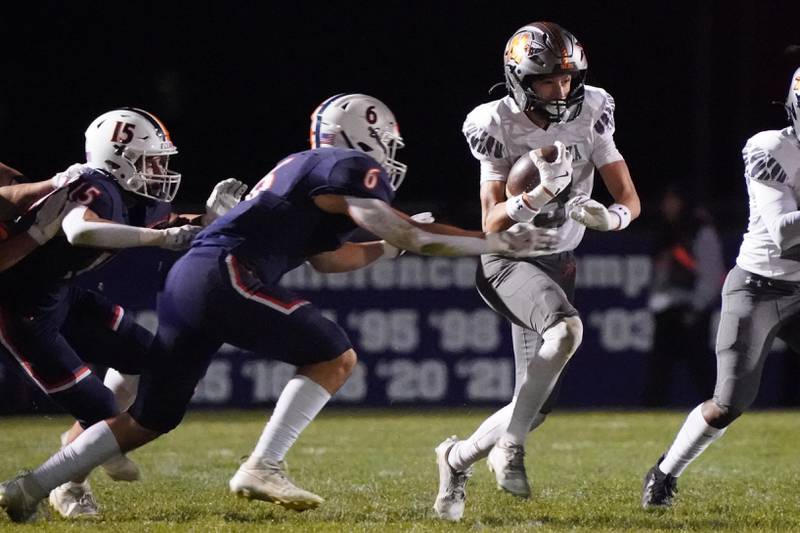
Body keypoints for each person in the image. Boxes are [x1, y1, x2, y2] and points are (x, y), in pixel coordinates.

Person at [0, 93, 551, 523]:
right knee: (334, 356)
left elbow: (332, 261)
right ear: (366, 134)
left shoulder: (309, 169)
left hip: (192, 278)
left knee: (153, 417)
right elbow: (416, 238)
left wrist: (392, 243)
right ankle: (263, 466)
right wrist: (494, 241)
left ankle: (34, 485)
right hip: (224, 274)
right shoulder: (348, 167)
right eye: (387, 141)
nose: (390, 155)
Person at [433, 21, 641, 521]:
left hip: (558, 261)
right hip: (508, 259)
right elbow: (490, 221)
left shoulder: (594, 107)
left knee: (537, 406)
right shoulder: (492, 121)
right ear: (519, 79)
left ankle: (456, 459)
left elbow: (629, 197)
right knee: (567, 331)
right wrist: (538, 194)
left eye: (567, 79)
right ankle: (507, 448)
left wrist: (612, 218)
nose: (561, 90)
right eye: (547, 80)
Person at [0, 107, 229, 520]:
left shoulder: (135, 198)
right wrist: (158, 239)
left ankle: (63, 480)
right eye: (152, 159)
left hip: (61, 296)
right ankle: (48, 486)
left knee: (151, 361)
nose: (160, 169)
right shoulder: (95, 186)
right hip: (22, 312)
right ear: (117, 156)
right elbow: (79, 230)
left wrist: (211, 218)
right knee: (109, 418)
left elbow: (178, 224)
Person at [641, 65, 800, 508]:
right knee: (729, 402)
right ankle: (665, 472)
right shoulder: (770, 147)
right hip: (759, 288)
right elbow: (787, 233)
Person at [642, 186, 724, 406]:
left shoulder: (699, 230)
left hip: (690, 310)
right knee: (659, 373)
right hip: (666, 310)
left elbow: (711, 272)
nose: (667, 206)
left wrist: (697, 308)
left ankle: (719, 412)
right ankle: (653, 416)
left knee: (701, 371)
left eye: (673, 200)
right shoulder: (666, 230)